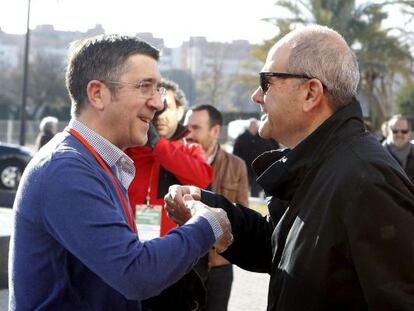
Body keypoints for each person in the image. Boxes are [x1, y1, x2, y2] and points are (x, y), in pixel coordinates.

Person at [164, 25, 414, 310]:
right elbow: (279, 248)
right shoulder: (323, 163)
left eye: (267, 82)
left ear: (311, 93)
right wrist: (206, 206)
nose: (256, 96)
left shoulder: (365, 177)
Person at [8, 34, 233, 311]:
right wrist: (208, 224)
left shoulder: (95, 163)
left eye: (158, 89)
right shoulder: (66, 170)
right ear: (97, 93)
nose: (158, 103)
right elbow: (137, 273)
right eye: (145, 87)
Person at [126, 78, 213, 238]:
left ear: (180, 112)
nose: (159, 115)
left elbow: (203, 179)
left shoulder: (190, 149)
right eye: (154, 108)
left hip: (174, 247)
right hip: (131, 243)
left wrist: (158, 145)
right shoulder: (130, 150)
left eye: (166, 107)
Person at [184, 104, 249, 311]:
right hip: (184, 263)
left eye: (196, 128)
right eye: (187, 127)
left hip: (219, 265)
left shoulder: (236, 165)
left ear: (215, 131)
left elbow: (243, 217)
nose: (188, 133)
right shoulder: (177, 161)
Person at [233, 117, 279, 197]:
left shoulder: (264, 138)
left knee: (257, 188)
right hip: (245, 168)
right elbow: (236, 153)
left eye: (255, 126)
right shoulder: (241, 138)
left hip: (260, 169)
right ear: (249, 126)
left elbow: (272, 149)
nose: (254, 127)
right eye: (252, 125)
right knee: (244, 187)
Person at [383, 114, 414, 182]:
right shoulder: (378, 154)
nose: (399, 134)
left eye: (404, 131)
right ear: (388, 131)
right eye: (395, 131)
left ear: (409, 133)